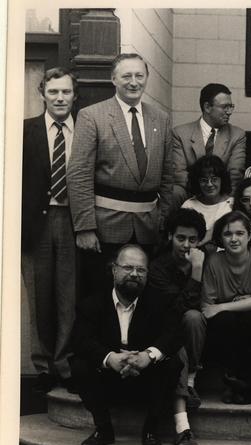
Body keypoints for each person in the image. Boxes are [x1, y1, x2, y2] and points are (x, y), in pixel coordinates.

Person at [67, 53, 174, 294]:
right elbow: (79, 174)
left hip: (148, 228)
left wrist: (163, 221)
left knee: (142, 296)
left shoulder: (161, 118)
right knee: (100, 295)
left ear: (147, 78)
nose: (133, 82)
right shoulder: (92, 116)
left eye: (139, 75)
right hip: (104, 228)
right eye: (126, 76)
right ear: (113, 79)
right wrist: (85, 227)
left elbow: (168, 175)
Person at [70, 245, 183, 445]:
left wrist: (148, 355)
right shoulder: (92, 303)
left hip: (145, 379)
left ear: (147, 274)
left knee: (172, 363)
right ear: (114, 270)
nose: (134, 274)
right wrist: (109, 358)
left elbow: (174, 334)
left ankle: (151, 429)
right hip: (109, 379)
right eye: (128, 267)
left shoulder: (160, 302)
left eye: (141, 270)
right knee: (79, 365)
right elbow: (80, 340)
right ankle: (103, 429)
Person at [22, 67, 79, 394]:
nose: (60, 98)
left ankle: (64, 364)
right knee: (39, 297)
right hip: (36, 225)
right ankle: (43, 366)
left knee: (67, 297)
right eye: (54, 92)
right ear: (42, 93)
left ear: (74, 95)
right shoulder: (24, 131)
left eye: (66, 92)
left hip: (72, 221)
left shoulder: (85, 129)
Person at [146, 208, 207, 445]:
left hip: (201, 335)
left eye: (193, 240)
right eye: (181, 238)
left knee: (194, 319)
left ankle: (191, 378)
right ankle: (182, 427)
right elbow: (176, 308)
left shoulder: (207, 258)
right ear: (170, 236)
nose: (186, 245)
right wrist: (196, 273)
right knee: (185, 325)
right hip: (166, 332)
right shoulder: (158, 267)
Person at [200, 211, 251, 404]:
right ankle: (231, 383)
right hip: (228, 325)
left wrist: (224, 305)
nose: (234, 239)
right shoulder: (214, 261)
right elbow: (207, 308)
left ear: (250, 236)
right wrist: (242, 303)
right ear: (220, 239)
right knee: (227, 321)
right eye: (227, 234)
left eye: (239, 233)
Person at [171, 83, 246, 207]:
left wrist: (215, 195)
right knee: (174, 192)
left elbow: (235, 175)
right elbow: (179, 174)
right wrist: (204, 190)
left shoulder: (237, 135)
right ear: (207, 107)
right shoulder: (180, 133)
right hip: (191, 191)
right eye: (224, 107)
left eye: (231, 107)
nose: (229, 112)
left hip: (222, 194)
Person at [181, 155, 233, 252]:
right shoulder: (189, 205)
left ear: (222, 180)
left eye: (214, 179)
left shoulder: (232, 205)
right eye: (204, 180)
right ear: (197, 182)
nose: (209, 184)